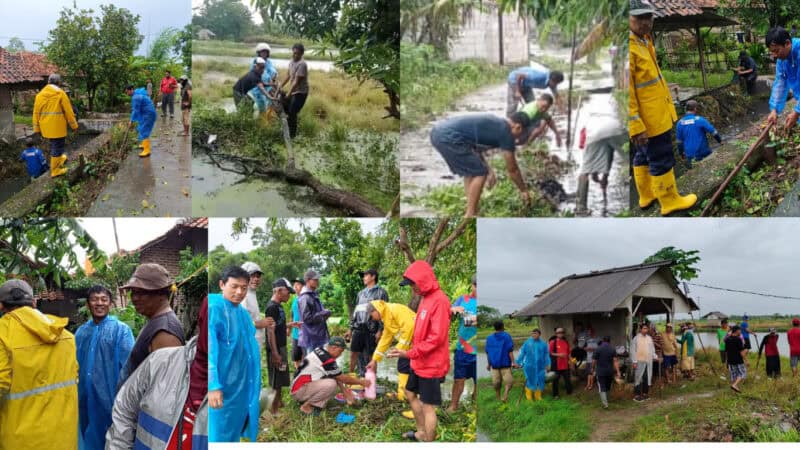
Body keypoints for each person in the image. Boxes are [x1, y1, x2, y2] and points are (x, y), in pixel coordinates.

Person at [106, 296, 208, 450]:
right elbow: (124, 410)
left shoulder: (165, 329)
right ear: (201, 321)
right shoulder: (160, 362)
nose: (134, 298)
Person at [629, 0, 697, 215]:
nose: (645, 22)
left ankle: (647, 195)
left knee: (642, 156)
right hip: (649, 120)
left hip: (654, 113)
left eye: (648, 17)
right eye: (639, 18)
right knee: (661, 156)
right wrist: (635, 124)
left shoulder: (642, 41)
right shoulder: (628, 49)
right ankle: (669, 200)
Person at [0, 280, 79, 450]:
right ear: (34, 302)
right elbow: (74, 376)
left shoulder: (2, 334)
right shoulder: (66, 335)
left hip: (21, 442)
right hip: (64, 439)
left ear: (1, 306)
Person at [389, 260, 451, 442]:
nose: (412, 288)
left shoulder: (440, 300)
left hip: (432, 364)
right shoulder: (425, 298)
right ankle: (421, 432)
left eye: (413, 284)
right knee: (410, 393)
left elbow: (436, 338)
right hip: (419, 361)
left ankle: (428, 440)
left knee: (428, 406)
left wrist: (408, 354)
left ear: (423, 280)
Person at [429, 112, 533, 217]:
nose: (517, 138)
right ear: (518, 127)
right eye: (520, 135)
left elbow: (474, 148)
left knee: (472, 172)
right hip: (447, 137)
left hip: (438, 132)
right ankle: (470, 214)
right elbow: (512, 169)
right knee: (479, 174)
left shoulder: (498, 124)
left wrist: (489, 170)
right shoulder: (506, 132)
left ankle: (472, 208)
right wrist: (523, 190)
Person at [75, 285, 134, 450]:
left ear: (110, 303)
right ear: (88, 304)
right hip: (84, 399)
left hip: (111, 400)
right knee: (87, 437)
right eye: (94, 299)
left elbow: (129, 367)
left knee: (111, 440)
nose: (99, 303)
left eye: (103, 299)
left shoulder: (121, 331)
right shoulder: (81, 333)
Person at [209, 266, 262, 442]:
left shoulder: (242, 314)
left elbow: (249, 349)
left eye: (244, 287)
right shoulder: (214, 309)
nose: (239, 292)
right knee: (217, 431)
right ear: (222, 284)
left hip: (240, 386)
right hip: (221, 386)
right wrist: (213, 385)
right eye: (234, 286)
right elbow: (208, 350)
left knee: (233, 429)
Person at [118, 263, 184, 388]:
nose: (135, 298)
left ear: (161, 293)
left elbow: (165, 391)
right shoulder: (155, 321)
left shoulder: (165, 332)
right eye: (133, 292)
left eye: (141, 292)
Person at [290, 336, 370, 414]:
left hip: (299, 387)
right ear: (333, 348)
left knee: (331, 378)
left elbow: (335, 374)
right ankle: (307, 406)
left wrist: (345, 392)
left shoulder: (321, 350)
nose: (340, 355)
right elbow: (342, 378)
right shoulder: (326, 358)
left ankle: (314, 403)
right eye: (340, 351)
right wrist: (361, 382)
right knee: (331, 384)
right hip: (298, 391)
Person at [576, 106, 626, 215]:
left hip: (597, 133)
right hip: (616, 128)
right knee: (631, 156)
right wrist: (604, 177)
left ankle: (581, 208)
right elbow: (609, 154)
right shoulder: (604, 118)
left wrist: (596, 175)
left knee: (584, 172)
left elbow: (588, 160)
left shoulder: (586, 129)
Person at [365, 300, 415, 403]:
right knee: (404, 367)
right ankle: (403, 395)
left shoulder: (394, 309)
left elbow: (410, 327)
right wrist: (374, 359)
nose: (372, 318)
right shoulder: (386, 316)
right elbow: (386, 338)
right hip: (408, 346)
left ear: (376, 310)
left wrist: (399, 349)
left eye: (371, 315)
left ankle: (407, 397)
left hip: (416, 344)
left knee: (406, 368)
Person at [32, 73, 78, 178]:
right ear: (59, 82)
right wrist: (74, 126)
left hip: (45, 128)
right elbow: (69, 112)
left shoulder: (39, 95)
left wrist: (36, 129)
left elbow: (35, 113)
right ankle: (55, 170)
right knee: (57, 147)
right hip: (57, 127)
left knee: (55, 145)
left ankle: (59, 160)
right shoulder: (60, 93)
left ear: (48, 82)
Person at [265, 278, 300, 414]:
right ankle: (274, 410)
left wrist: (289, 325)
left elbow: (277, 326)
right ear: (279, 291)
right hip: (276, 348)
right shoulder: (272, 307)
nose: (289, 295)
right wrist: (275, 353)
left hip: (281, 347)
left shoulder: (278, 306)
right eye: (287, 292)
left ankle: (279, 402)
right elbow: (270, 331)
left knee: (281, 376)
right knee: (275, 381)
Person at [346, 268, 389, 376]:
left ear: (373, 277)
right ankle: (350, 379)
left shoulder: (381, 292)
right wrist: (350, 329)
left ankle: (371, 381)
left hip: (372, 330)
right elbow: (356, 312)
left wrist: (380, 330)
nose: (363, 278)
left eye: (366, 275)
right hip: (358, 328)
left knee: (371, 356)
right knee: (353, 353)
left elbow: (385, 313)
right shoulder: (360, 294)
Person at [448, 274, 478, 412]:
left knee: (479, 382)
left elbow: (473, 321)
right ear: (472, 285)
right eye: (476, 286)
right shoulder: (463, 299)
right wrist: (453, 309)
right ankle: (453, 406)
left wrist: (465, 315)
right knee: (459, 380)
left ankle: (475, 405)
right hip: (463, 349)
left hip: (479, 350)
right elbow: (449, 311)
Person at [766, 27, 800, 132]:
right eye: (772, 52)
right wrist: (774, 110)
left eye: (776, 51)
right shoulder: (782, 60)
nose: (775, 55)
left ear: (787, 43)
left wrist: (797, 111)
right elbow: (780, 83)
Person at [676, 100, 722, 168]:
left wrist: (681, 154)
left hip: (690, 155)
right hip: (703, 152)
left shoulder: (680, 123)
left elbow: (679, 142)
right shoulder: (700, 120)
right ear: (695, 109)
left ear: (686, 109)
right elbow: (713, 132)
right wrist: (720, 141)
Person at [297, 269, 331, 353]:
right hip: (311, 338)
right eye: (315, 280)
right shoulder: (305, 297)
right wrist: (323, 314)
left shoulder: (313, 294)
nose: (317, 281)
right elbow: (307, 318)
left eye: (317, 279)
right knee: (312, 363)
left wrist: (324, 315)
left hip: (318, 336)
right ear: (308, 281)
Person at [280, 43, 310, 138]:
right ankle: (287, 128)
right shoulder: (291, 62)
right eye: (294, 53)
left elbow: (296, 82)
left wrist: (288, 94)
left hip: (300, 93)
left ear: (301, 54)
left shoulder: (302, 64)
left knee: (292, 113)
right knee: (283, 102)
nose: (295, 55)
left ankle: (292, 136)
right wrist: (280, 86)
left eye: (297, 53)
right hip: (293, 91)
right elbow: (288, 76)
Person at [485, 320, 516, 402]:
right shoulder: (507, 336)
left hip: (494, 364)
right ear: (502, 327)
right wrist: (513, 362)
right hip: (504, 364)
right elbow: (510, 350)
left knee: (496, 383)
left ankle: (503, 397)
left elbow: (487, 353)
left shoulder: (489, 338)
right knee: (509, 382)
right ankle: (503, 396)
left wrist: (488, 364)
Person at [516, 328, 549, 401]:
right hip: (529, 366)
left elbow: (546, 355)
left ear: (539, 334)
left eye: (535, 333)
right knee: (529, 380)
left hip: (540, 366)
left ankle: (538, 396)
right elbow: (522, 353)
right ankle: (529, 396)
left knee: (539, 380)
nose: (533, 335)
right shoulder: (527, 343)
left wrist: (547, 364)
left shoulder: (543, 344)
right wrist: (518, 362)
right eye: (532, 333)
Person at [125, 84, 157, 158]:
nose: (127, 94)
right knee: (141, 127)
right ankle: (144, 144)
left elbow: (135, 110)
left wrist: (131, 120)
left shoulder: (136, 97)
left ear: (131, 90)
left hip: (148, 114)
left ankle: (147, 150)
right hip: (147, 112)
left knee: (144, 130)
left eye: (127, 92)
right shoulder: (137, 93)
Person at [241, 261, 266, 351]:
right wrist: (260, 323)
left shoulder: (251, 293)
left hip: (254, 345)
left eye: (258, 276)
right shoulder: (242, 295)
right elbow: (240, 323)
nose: (256, 279)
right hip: (247, 345)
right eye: (252, 276)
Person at [250, 43, 279, 118]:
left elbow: (273, 72)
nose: (264, 53)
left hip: (268, 87)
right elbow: (260, 78)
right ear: (259, 53)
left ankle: (267, 119)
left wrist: (274, 78)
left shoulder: (269, 62)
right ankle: (260, 123)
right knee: (261, 107)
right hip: (258, 89)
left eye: (266, 52)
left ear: (268, 53)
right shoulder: (256, 62)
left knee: (269, 105)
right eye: (262, 52)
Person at [592, 336, 621, 409]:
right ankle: (607, 399)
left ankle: (605, 404)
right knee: (607, 386)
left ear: (603, 340)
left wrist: (592, 368)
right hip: (610, 372)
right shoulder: (612, 349)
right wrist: (618, 371)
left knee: (602, 386)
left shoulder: (598, 349)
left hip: (600, 372)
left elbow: (594, 361)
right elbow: (615, 361)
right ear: (609, 341)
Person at [631, 323, 656, 402]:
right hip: (639, 361)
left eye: (646, 328)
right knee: (638, 377)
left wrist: (655, 356)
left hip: (648, 362)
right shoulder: (636, 338)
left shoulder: (649, 338)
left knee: (646, 377)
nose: (646, 330)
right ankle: (637, 395)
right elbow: (632, 350)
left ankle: (645, 393)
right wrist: (634, 361)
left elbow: (652, 349)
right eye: (644, 328)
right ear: (640, 329)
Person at [548, 327, 571, 398]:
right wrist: (559, 355)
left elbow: (568, 353)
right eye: (559, 332)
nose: (560, 334)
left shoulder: (566, 342)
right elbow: (550, 353)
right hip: (556, 365)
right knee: (555, 381)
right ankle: (556, 395)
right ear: (556, 334)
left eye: (562, 332)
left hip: (565, 365)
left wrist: (570, 361)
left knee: (567, 379)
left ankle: (569, 392)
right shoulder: (553, 342)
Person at [725, 325, 747, 392]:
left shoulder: (727, 339)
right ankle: (735, 385)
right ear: (737, 331)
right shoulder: (738, 339)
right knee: (742, 373)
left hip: (730, 360)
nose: (740, 332)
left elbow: (726, 351)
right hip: (738, 360)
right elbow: (741, 352)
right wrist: (746, 360)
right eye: (740, 330)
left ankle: (734, 387)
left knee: (734, 374)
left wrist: (727, 361)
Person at [290, 277, 305, 370]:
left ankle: (305, 376)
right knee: (296, 356)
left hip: (305, 334)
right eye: (294, 284)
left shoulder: (306, 299)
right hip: (295, 334)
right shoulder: (295, 299)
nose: (295, 286)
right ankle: (298, 375)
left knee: (305, 356)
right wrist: (289, 327)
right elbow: (292, 312)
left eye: (298, 284)